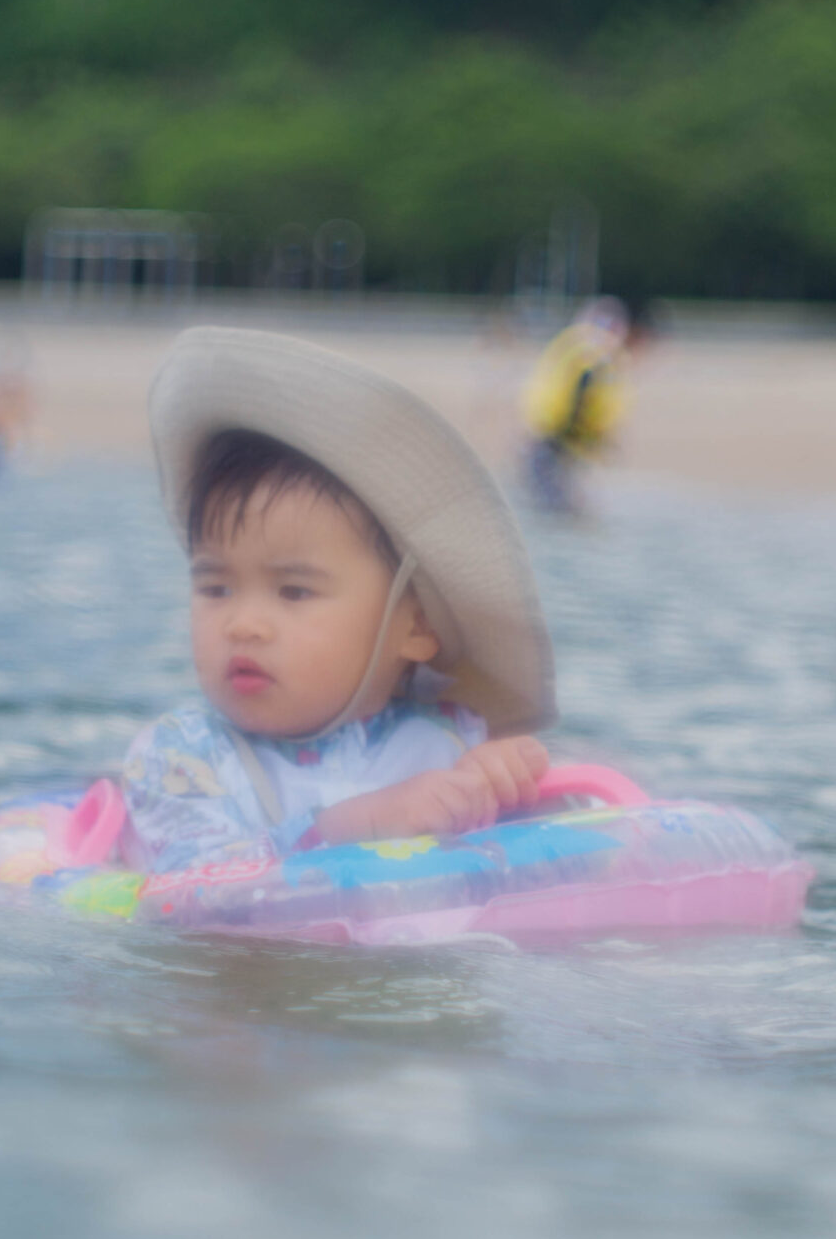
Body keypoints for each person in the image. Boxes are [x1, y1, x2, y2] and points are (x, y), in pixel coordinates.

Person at [118, 327, 557, 875]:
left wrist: (511, 788)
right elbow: (191, 888)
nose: (243, 624)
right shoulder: (182, 758)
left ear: (416, 626)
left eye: (294, 591)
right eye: (216, 588)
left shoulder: (452, 743)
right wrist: (352, 826)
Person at [518, 297, 634, 515]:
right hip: (557, 440)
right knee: (561, 510)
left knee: (552, 506)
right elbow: (577, 401)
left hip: (546, 437)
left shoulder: (572, 343)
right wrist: (593, 439)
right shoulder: (594, 356)